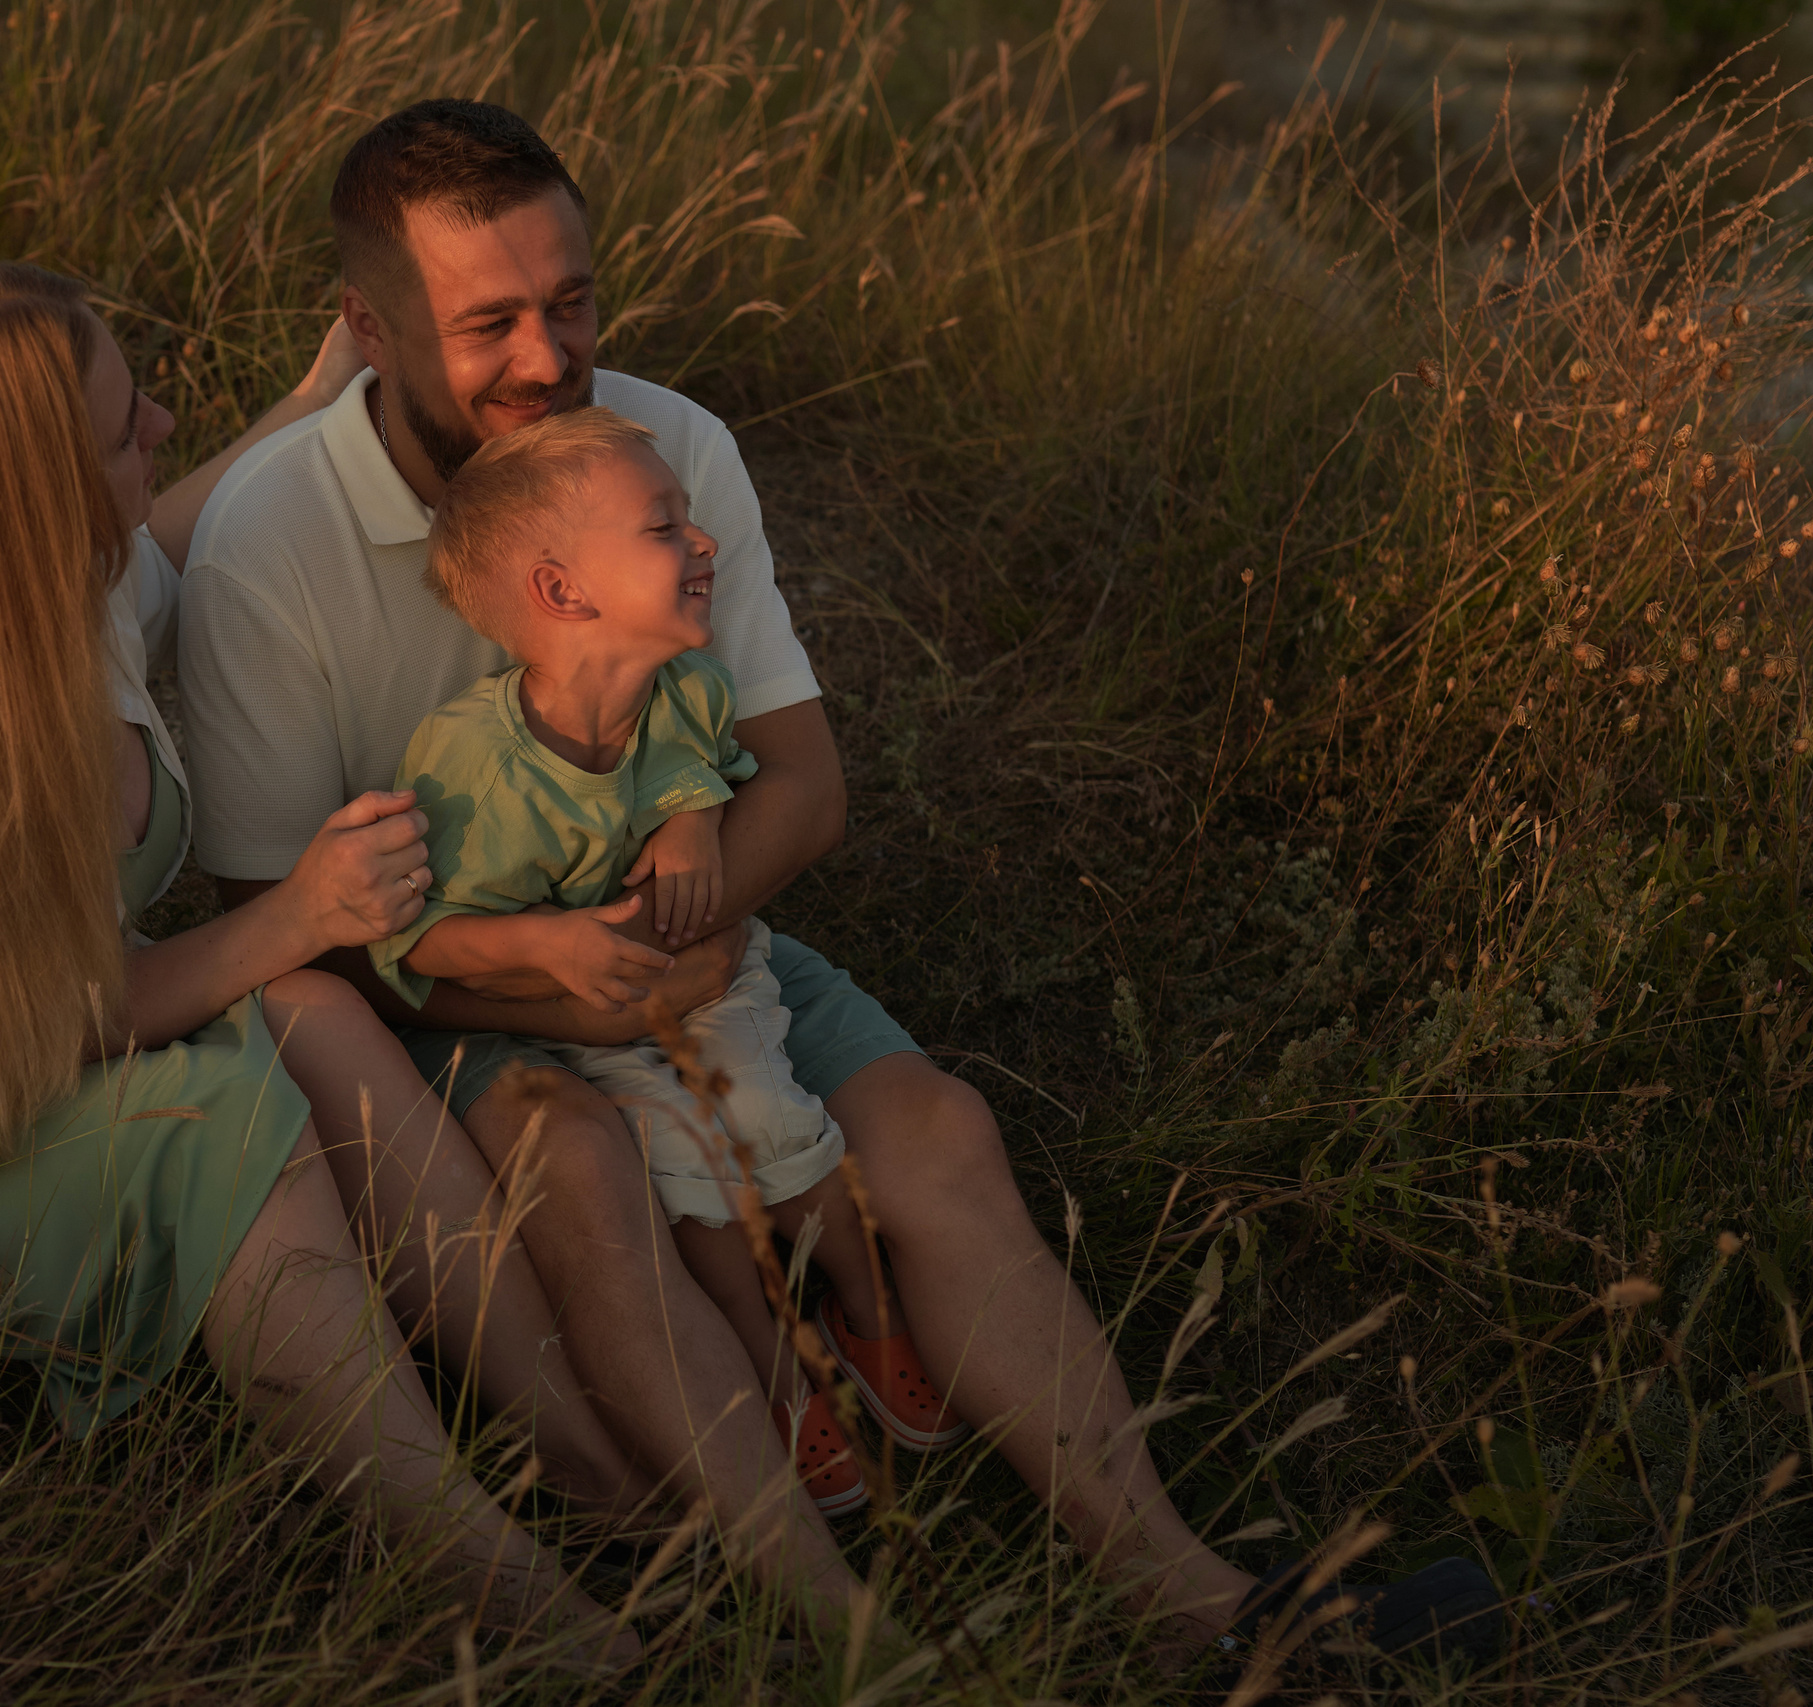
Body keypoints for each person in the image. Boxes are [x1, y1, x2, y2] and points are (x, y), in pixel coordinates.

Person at [177, 97, 1503, 1663]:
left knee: (937, 1128)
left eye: (574, 300)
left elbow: (803, 781)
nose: (548, 356)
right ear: (371, 328)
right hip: (443, 1001)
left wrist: (687, 921)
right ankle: (854, 1641)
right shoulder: (272, 542)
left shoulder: (669, 450)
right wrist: (547, 972)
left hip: (703, 934)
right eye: (491, 324)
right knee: (580, 1160)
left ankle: (1201, 1609)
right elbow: (281, 942)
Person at [0, 260, 643, 1664]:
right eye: (126, 428)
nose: (164, 425)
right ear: (30, 503)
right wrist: (298, 909)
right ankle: (485, 1575)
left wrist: (303, 411)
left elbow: (164, 537)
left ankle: (588, 1449)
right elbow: (58, 1024)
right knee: (209, 1126)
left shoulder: (58, 583)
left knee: (308, 1020)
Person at [366, 407, 966, 1524]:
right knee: (698, 1204)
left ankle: (869, 1306)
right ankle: (776, 1372)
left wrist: (694, 821)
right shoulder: (468, 768)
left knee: (783, 1143)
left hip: (704, 986)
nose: (705, 547)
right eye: (664, 529)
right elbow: (417, 938)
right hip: (567, 1017)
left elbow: (704, 765)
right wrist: (542, 943)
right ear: (562, 593)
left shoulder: (684, 691)